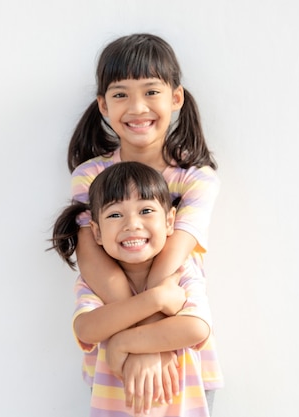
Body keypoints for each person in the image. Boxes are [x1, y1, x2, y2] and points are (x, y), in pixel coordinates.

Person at [66, 33, 223, 411]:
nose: (137, 107)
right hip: (114, 363)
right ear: (103, 105)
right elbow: (92, 259)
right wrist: (140, 338)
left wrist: (148, 340)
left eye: (151, 91)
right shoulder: (90, 174)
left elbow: (173, 257)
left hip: (181, 359)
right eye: (121, 94)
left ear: (175, 98)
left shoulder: (195, 177)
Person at [51, 161, 214, 417]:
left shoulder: (181, 272)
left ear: (170, 221)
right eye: (115, 215)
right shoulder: (94, 281)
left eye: (146, 210)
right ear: (97, 232)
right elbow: (86, 329)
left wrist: (123, 343)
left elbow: (196, 328)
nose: (132, 224)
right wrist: (156, 299)